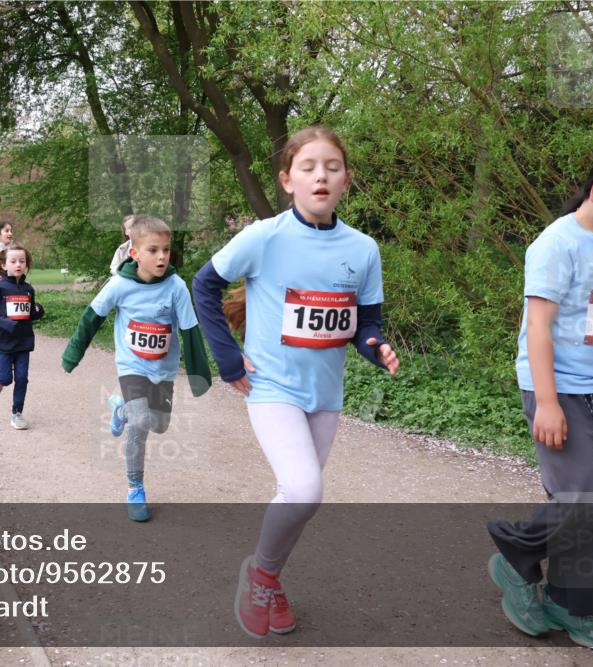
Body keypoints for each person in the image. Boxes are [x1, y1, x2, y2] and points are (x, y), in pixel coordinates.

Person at [191, 126, 399, 638]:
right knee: (305, 488)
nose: (320, 176)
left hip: (325, 394)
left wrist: (375, 348)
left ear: (346, 179)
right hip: (272, 387)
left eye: (331, 166)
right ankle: (260, 575)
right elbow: (205, 284)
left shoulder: (364, 249)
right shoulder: (266, 236)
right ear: (288, 181)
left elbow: (362, 324)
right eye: (308, 167)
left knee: (298, 498)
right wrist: (230, 362)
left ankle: (271, 577)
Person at [486, 148, 593, 650]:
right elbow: (538, 327)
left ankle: (571, 602)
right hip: (556, 386)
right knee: (585, 499)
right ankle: (515, 553)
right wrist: (547, 402)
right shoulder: (555, 243)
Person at [62, 216, 212, 521]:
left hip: (164, 370)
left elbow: (190, 330)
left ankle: (120, 408)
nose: (161, 257)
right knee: (141, 422)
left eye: (166, 250)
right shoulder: (119, 285)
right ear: (135, 253)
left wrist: (199, 376)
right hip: (132, 366)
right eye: (153, 250)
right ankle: (135, 488)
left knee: (159, 425)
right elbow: (92, 317)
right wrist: (72, 355)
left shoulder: (176, 287)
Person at [0, 245, 44, 430]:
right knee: (7, 379)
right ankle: (0, 378)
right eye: (13, 261)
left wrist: (38, 311)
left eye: (22, 261)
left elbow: (29, 314)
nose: (18, 264)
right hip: (4, 340)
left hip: (24, 341)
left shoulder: (28, 289)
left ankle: (17, 413)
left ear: (26, 265)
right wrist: (5, 323)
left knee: (22, 377)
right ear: (4, 265)